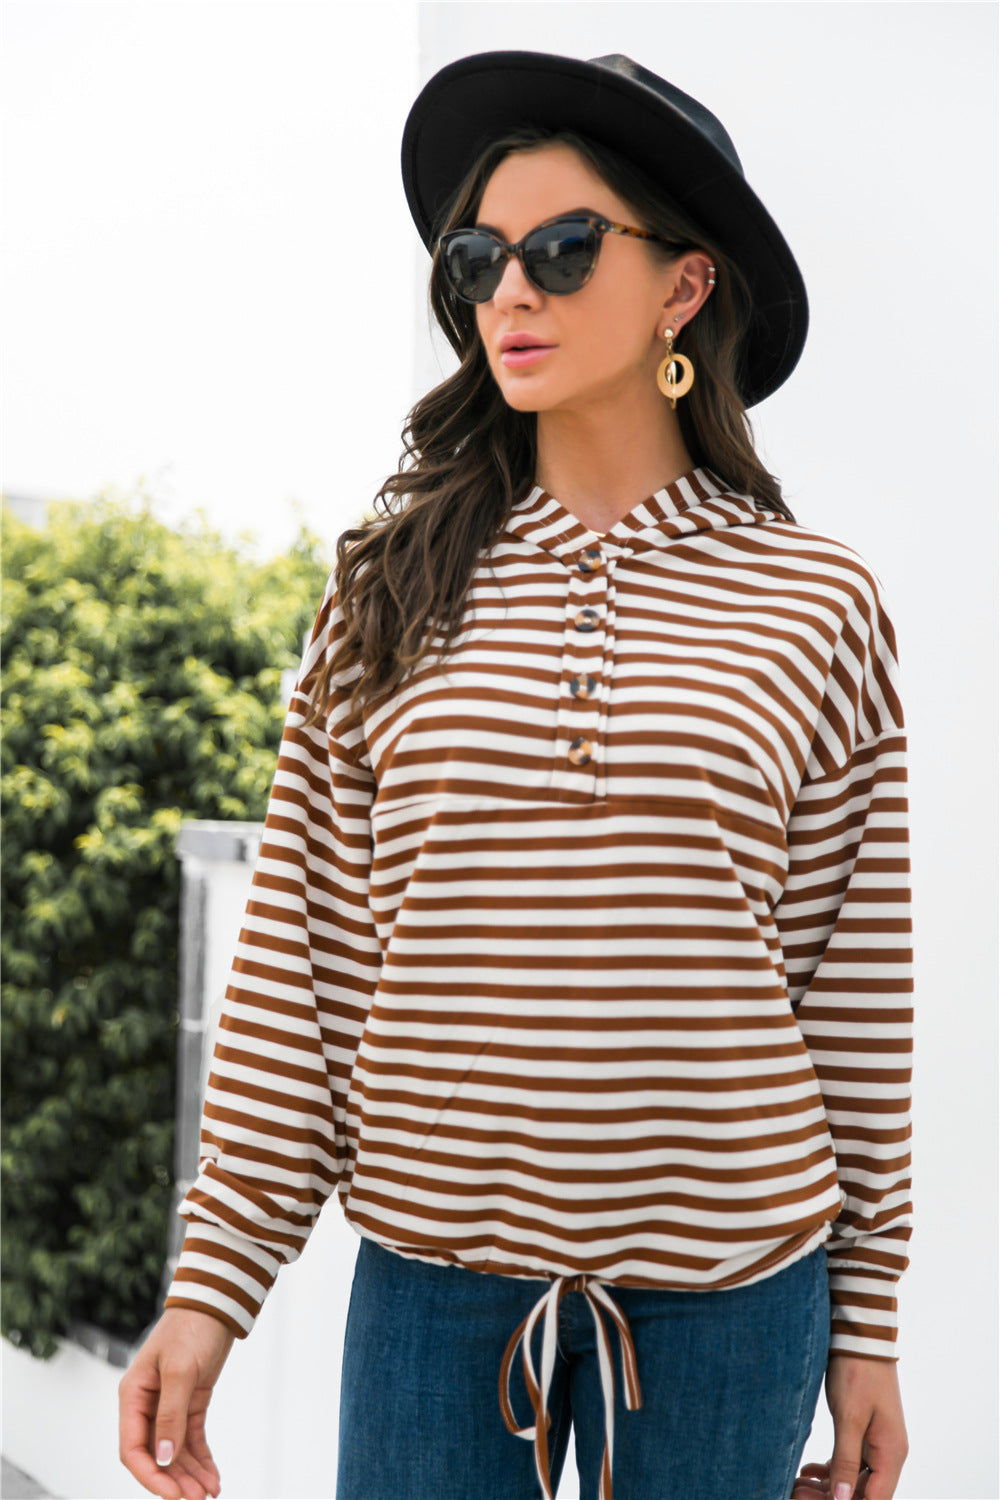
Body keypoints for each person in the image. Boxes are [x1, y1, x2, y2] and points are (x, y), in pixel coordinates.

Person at [118, 49, 913, 1500]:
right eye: (480, 260)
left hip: (735, 1306)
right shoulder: (388, 588)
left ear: (685, 286)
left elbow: (849, 992)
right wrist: (211, 1283)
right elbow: (302, 969)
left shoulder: (818, 603)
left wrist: (868, 1326)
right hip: (436, 1292)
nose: (510, 294)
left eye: (563, 249)